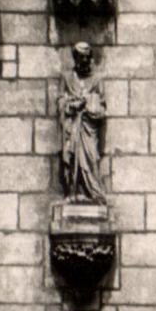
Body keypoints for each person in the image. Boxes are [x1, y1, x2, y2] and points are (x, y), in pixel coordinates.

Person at [57, 42, 108, 203]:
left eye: (87, 58)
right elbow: (60, 102)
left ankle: (92, 192)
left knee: (91, 158)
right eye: (80, 58)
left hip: (88, 127)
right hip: (72, 128)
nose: (84, 61)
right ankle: (73, 191)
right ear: (76, 59)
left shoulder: (97, 80)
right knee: (71, 159)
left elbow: (103, 106)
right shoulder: (67, 78)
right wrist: (71, 105)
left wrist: (91, 104)